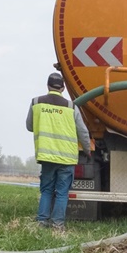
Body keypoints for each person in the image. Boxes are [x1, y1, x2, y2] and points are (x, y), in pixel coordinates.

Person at [25, 72, 91, 230]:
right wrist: (87, 150)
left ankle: (42, 222)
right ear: (62, 88)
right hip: (66, 158)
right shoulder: (71, 107)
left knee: (46, 190)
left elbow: (29, 126)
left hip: (46, 156)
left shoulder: (36, 102)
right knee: (62, 192)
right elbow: (82, 131)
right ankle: (57, 225)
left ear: (48, 86)